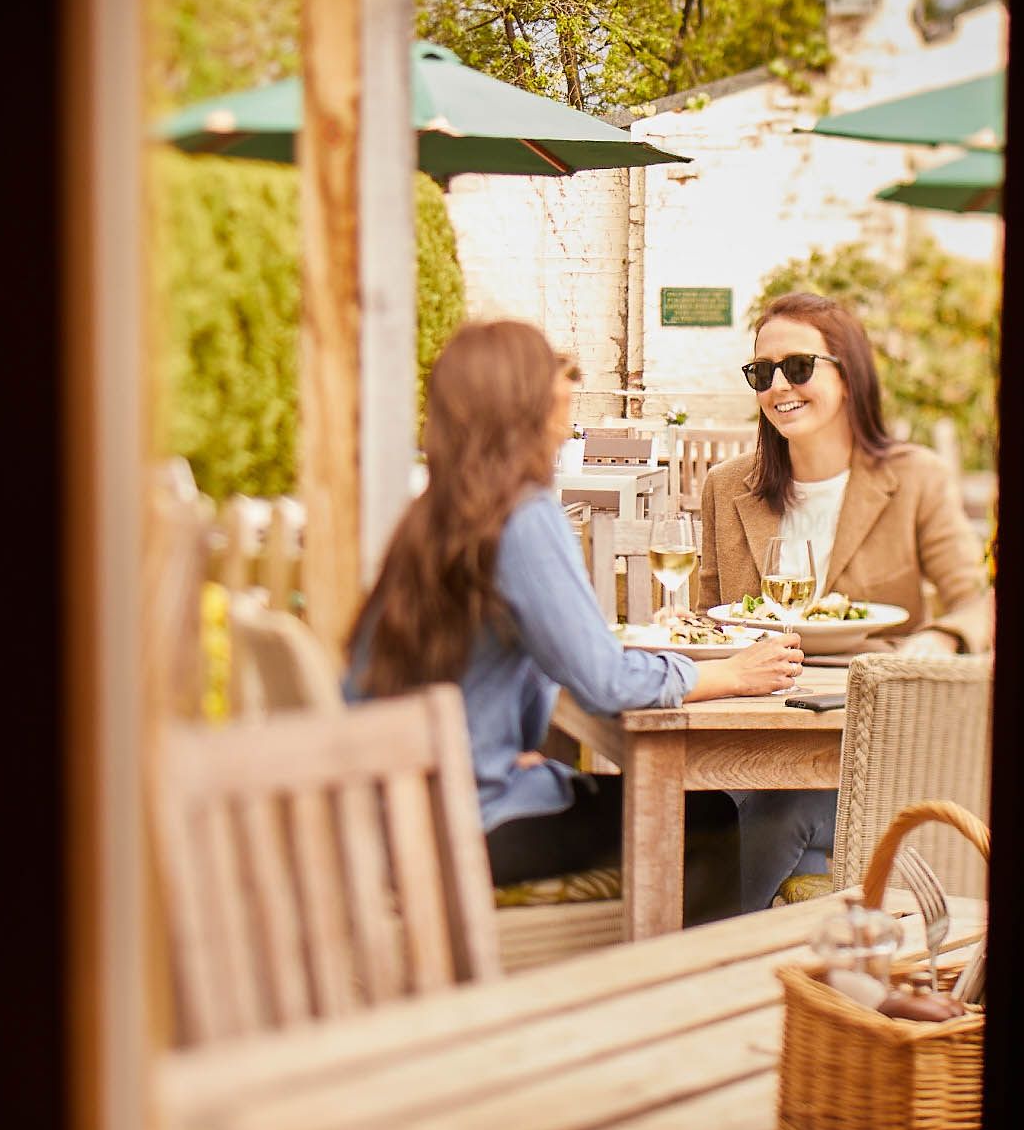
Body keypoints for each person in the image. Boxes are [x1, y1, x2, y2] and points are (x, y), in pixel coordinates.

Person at [345, 320, 823, 926]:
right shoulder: (523, 516)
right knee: (707, 817)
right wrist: (729, 675)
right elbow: (604, 681)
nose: (565, 429)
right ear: (523, 412)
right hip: (470, 830)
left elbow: (380, 682)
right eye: (560, 408)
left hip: (407, 813)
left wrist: (490, 752)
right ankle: (679, 974)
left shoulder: (431, 517)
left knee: (648, 803)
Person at [680, 291, 993, 880]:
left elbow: (977, 602)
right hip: (751, 737)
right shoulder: (727, 485)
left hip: (869, 745)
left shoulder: (914, 478)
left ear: (848, 377)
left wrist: (945, 637)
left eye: (798, 367)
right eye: (762, 372)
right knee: (694, 813)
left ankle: (718, 939)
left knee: (781, 813)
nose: (778, 386)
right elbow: (712, 619)